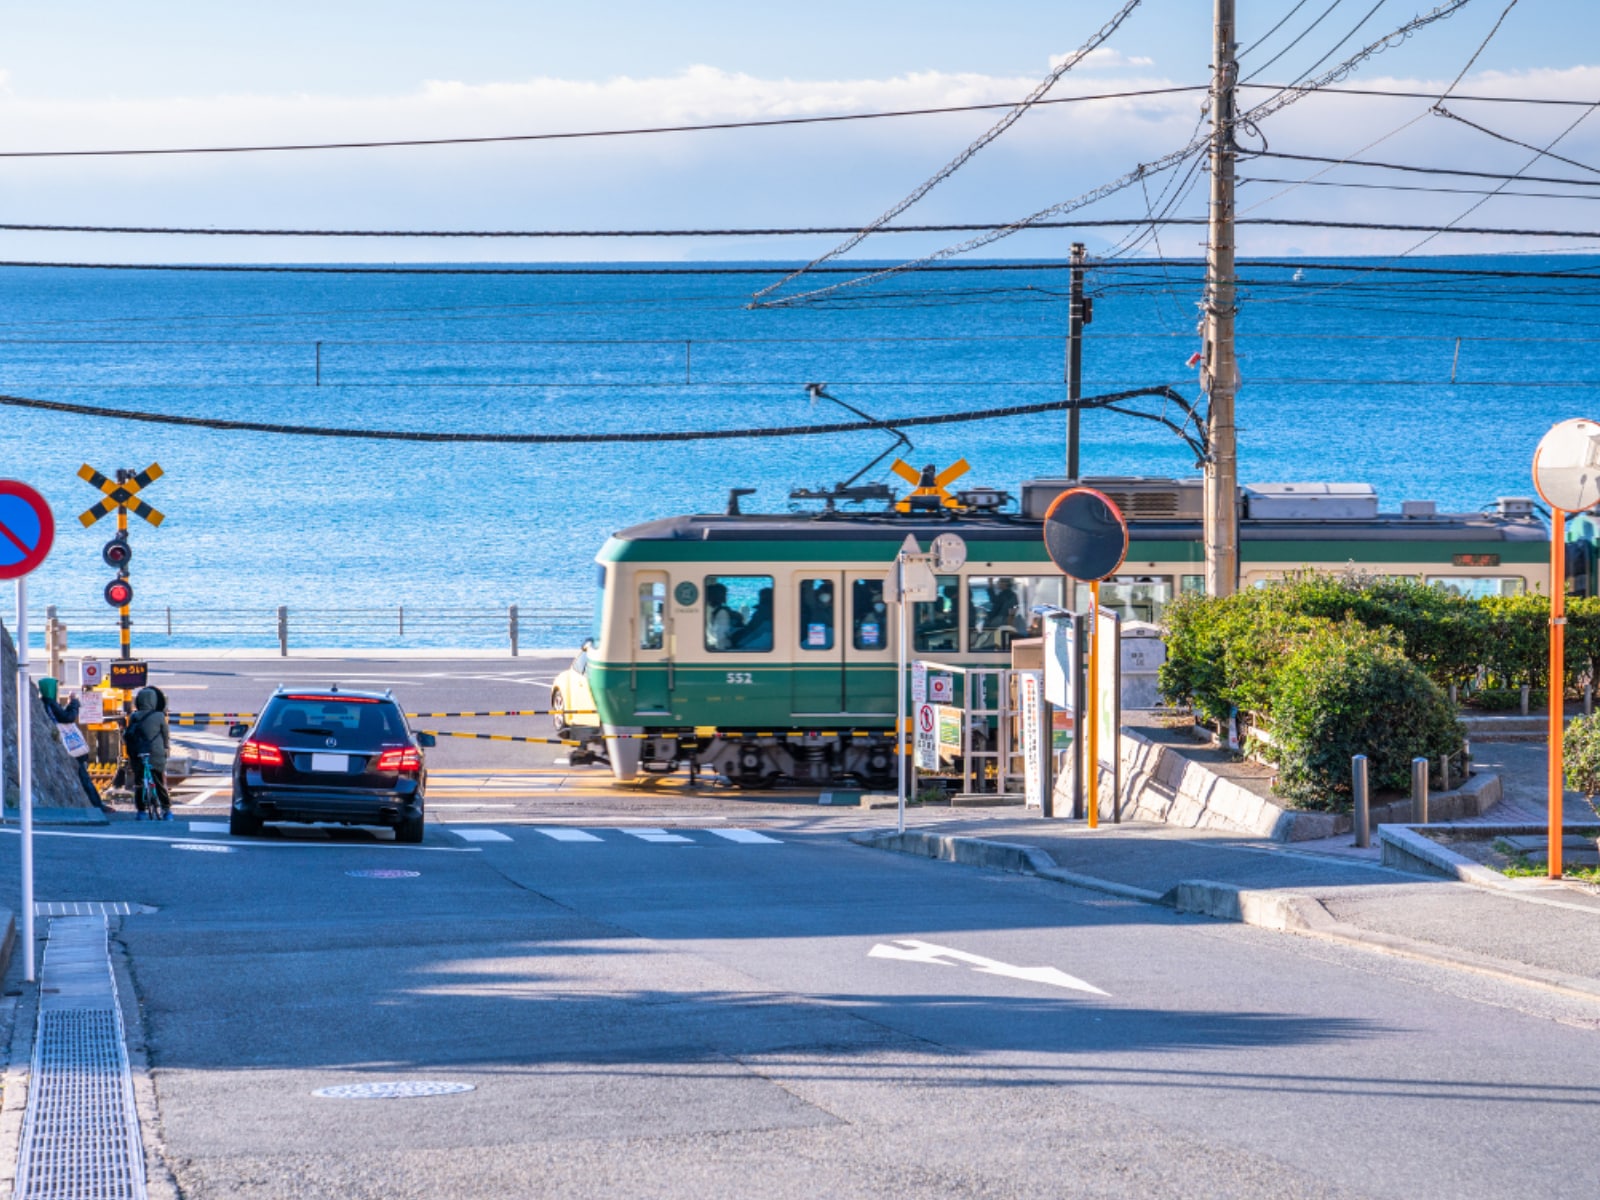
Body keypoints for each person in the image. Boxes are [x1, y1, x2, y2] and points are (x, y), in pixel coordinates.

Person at [38, 677, 103, 810]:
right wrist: (74, 703)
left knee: (82, 775)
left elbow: (61, 716)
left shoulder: (42, 704)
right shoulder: (51, 703)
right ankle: (97, 805)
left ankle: (96, 803)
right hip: (68, 745)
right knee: (83, 775)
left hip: (59, 743)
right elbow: (67, 718)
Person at [122, 685, 173, 821]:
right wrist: (166, 750)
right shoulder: (159, 716)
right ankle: (167, 811)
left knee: (139, 782)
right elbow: (165, 736)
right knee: (158, 781)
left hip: (138, 753)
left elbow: (130, 734)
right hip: (156, 754)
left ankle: (141, 812)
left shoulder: (134, 716)